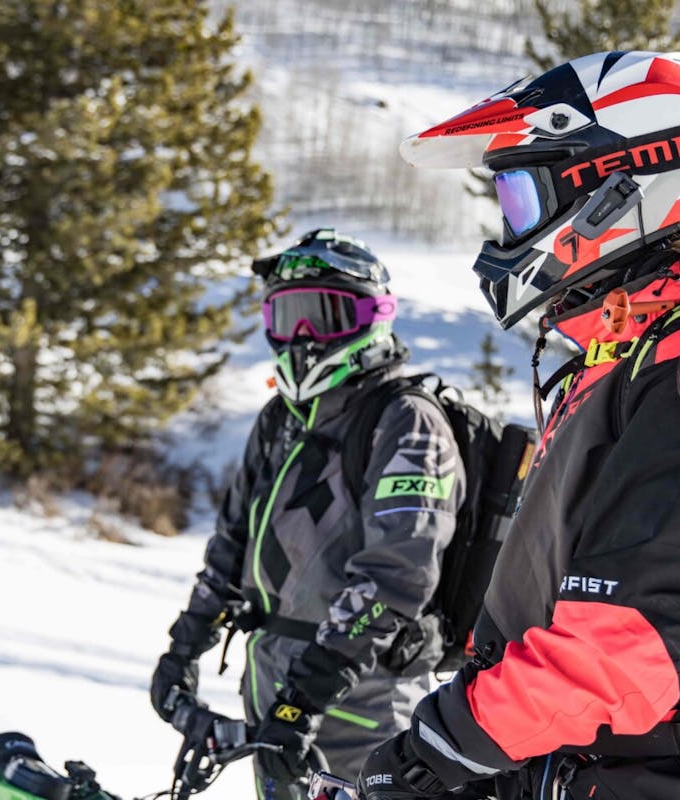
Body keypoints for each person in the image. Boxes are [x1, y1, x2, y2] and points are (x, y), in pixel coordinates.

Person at [358, 51, 680, 800]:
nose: (508, 228)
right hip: (596, 769)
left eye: (521, 197)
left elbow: (622, 651)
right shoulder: (643, 353)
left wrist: (444, 745)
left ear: (622, 187)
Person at [150, 228, 463, 800]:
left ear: (372, 317)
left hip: (364, 695)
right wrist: (184, 645)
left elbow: (397, 577)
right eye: (286, 316)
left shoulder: (406, 421)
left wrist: (305, 698)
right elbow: (229, 550)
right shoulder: (281, 420)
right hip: (275, 681)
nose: (302, 337)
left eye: (323, 315)